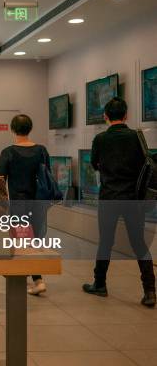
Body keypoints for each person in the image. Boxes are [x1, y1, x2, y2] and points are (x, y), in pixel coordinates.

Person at [82, 98, 156, 307]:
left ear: (105, 116)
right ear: (126, 116)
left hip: (109, 197)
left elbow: (95, 164)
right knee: (139, 243)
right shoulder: (136, 137)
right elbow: (146, 165)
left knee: (106, 241)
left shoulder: (100, 139)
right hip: (133, 199)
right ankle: (150, 291)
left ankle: (100, 284)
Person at [0, 114, 50, 295]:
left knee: (20, 241)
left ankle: (26, 278)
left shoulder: (8, 152)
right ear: (30, 128)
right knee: (33, 241)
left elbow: (0, 181)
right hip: (38, 202)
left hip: (18, 203)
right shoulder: (41, 151)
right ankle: (38, 279)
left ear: (12, 129)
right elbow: (47, 176)